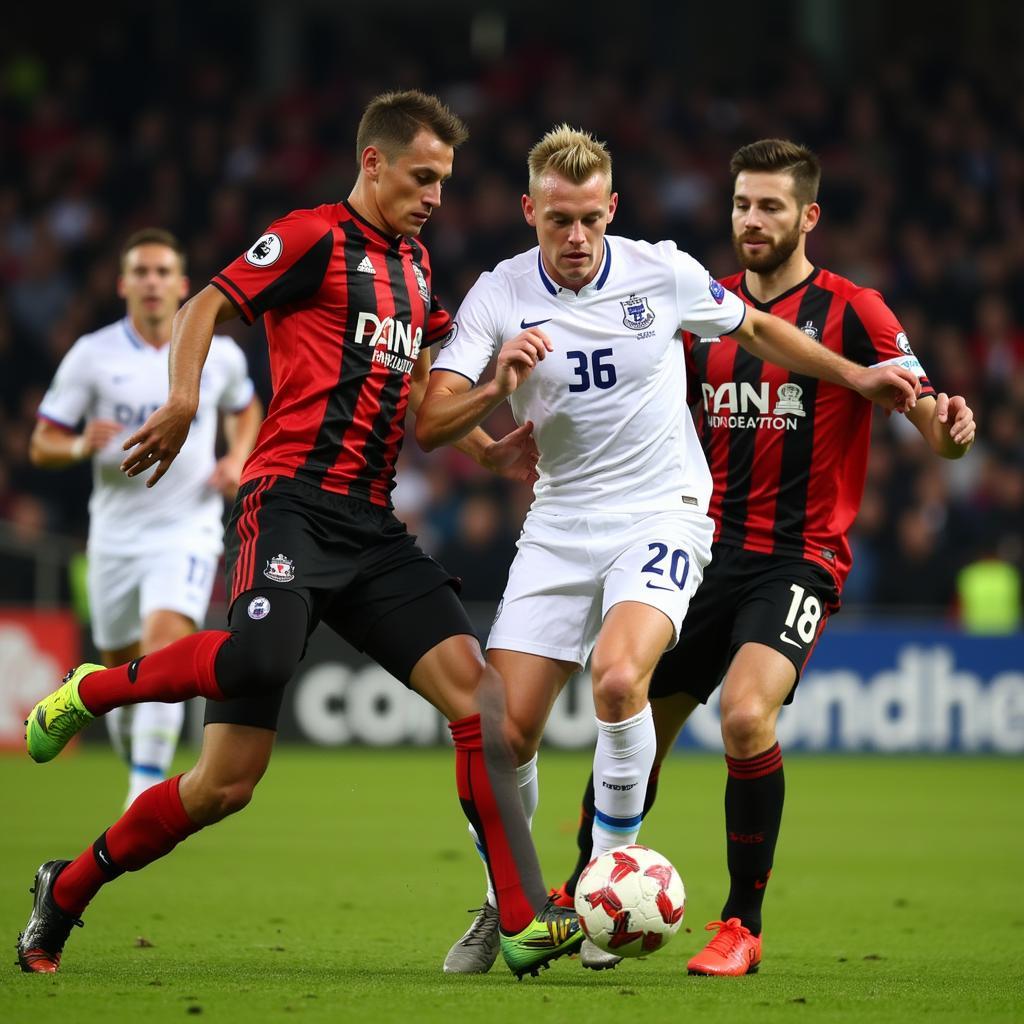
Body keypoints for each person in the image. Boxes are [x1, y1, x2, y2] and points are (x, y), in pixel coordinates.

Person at [18, 90, 570, 979]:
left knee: (480, 705)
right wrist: (187, 398)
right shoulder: (312, 237)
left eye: (445, 181)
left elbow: (426, 383)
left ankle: (520, 916)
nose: (435, 194)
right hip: (290, 506)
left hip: (370, 527)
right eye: (423, 176)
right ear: (375, 163)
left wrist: (486, 446)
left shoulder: (419, 269)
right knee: (245, 720)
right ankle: (94, 704)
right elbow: (204, 305)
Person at [415, 126, 922, 976]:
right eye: (555, 221)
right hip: (559, 521)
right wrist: (499, 387)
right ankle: (517, 900)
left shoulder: (664, 271)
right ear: (528, 211)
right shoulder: (497, 296)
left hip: (666, 512)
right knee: (498, 732)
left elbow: (759, 331)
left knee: (621, 682)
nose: (574, 239)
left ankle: (609, 888)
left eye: (588, 219)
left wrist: (859, 377)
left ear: (610, 209)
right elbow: (432, 422)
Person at [551, 138, 976, 976]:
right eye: (743, 204)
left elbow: (922, 409)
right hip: (697, 550)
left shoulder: (856, 311)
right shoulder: (698, 304)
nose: (753, 219)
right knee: (632, 724)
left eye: (771, 206)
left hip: (798, 558)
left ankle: (741, 924)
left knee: (747, 716)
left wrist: (948, 431)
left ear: (807, 216)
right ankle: (579, 896)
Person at [31, 228, 263, 811]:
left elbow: (246, 409)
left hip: (186, 528)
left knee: (165, 648)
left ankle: (142, 794)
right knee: (118, 668)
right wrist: (80, 444)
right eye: (142, 272)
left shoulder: (219, 351)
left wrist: (237, 456)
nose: (153, 282)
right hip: (113, 536)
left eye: (164, 273)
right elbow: (41, 442)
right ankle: (138, 764)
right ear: (123, 285)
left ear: (183, 285)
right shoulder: (92, 355)